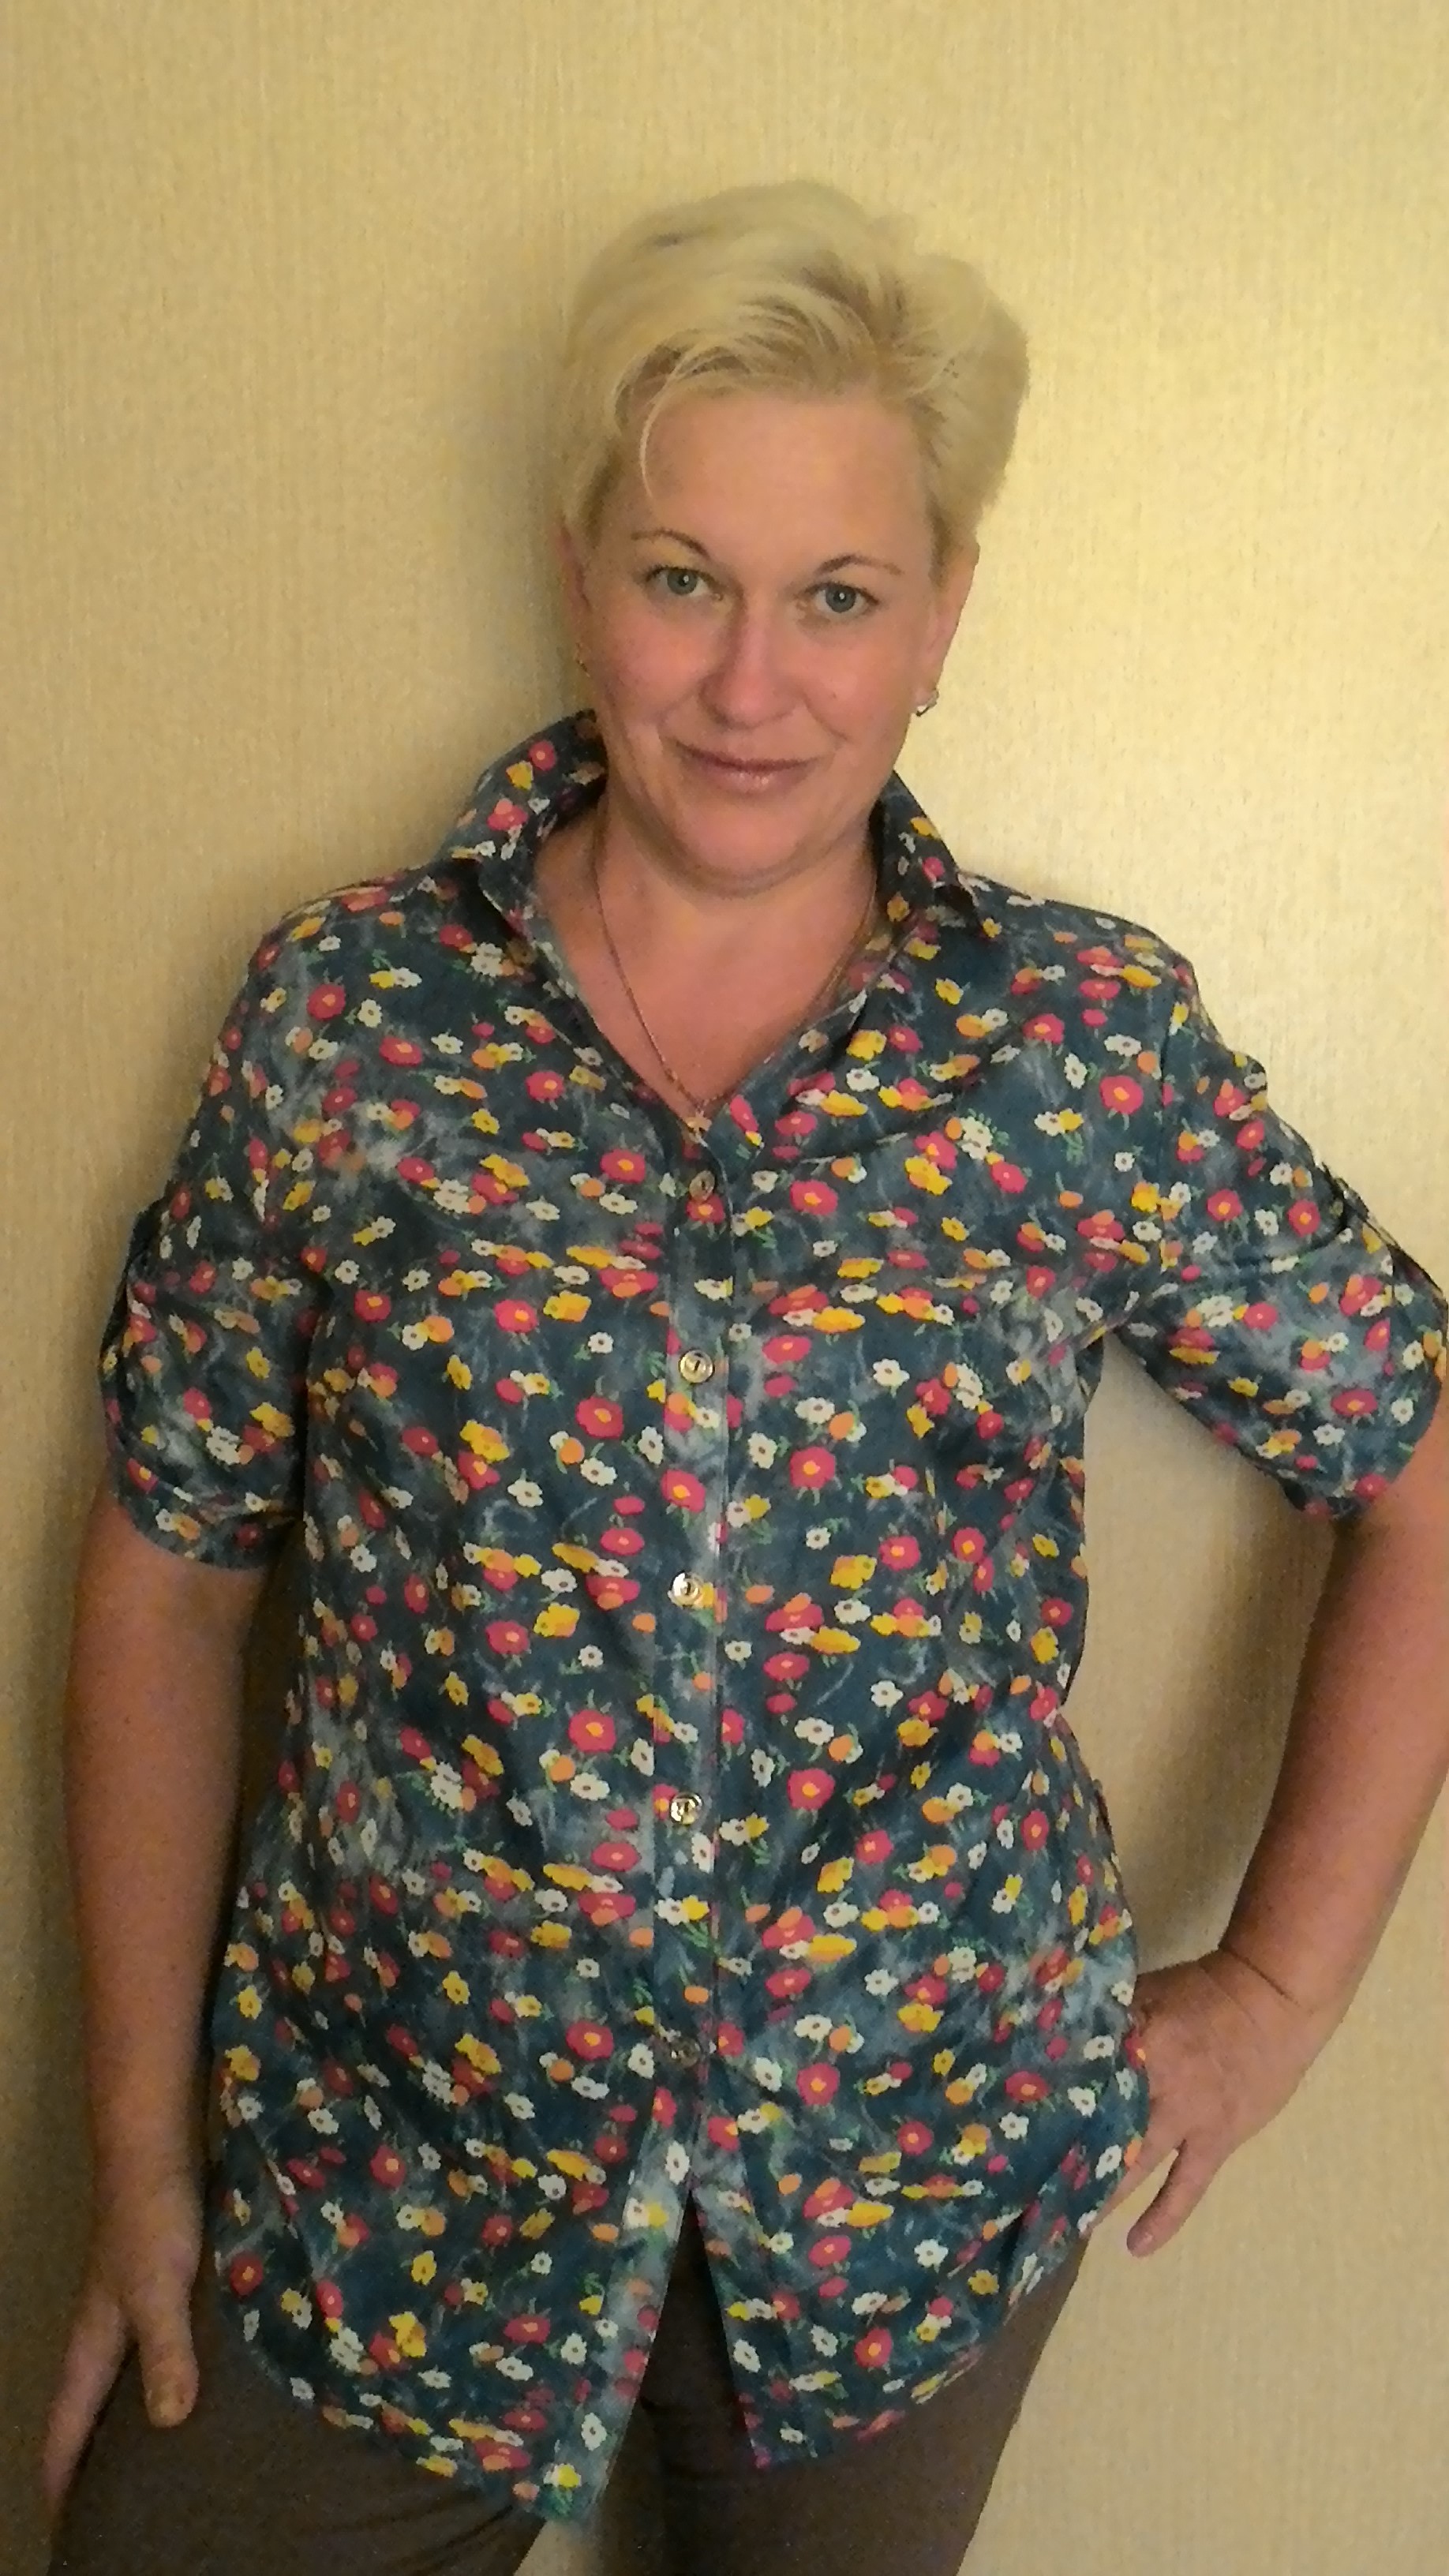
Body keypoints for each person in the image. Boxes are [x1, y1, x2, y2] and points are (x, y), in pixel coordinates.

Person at [44, 180, 1447, 2576]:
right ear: (578, 571)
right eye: (683, 578)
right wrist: (143, 2159)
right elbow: (171, 1579)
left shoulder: (1074, 1048)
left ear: (945, 614)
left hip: (907, 2185)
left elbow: (1414, 1460)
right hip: (383, 2169)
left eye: (840, 597)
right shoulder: (350, 1020)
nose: (749, 685)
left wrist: (1286, 1986)